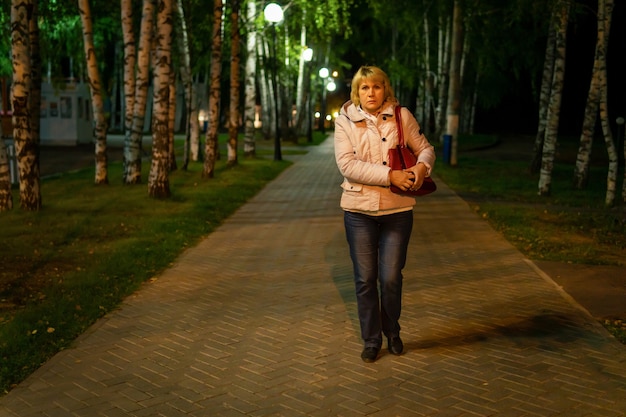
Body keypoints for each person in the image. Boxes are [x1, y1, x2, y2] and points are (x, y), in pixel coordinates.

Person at [334, 65, 436, 363]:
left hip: (397, 209)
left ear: (385, 88)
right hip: (359, 211)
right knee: (365, 278)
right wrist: (391, 175)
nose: (371, 93)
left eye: (376, 86)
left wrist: (420, 168)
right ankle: (371, 339)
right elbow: (347, 165)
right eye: (364, 88)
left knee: (390, 277)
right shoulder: (345, 121)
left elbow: (425, 149)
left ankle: (392, 331)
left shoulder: (401, 115)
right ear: (357, 92)